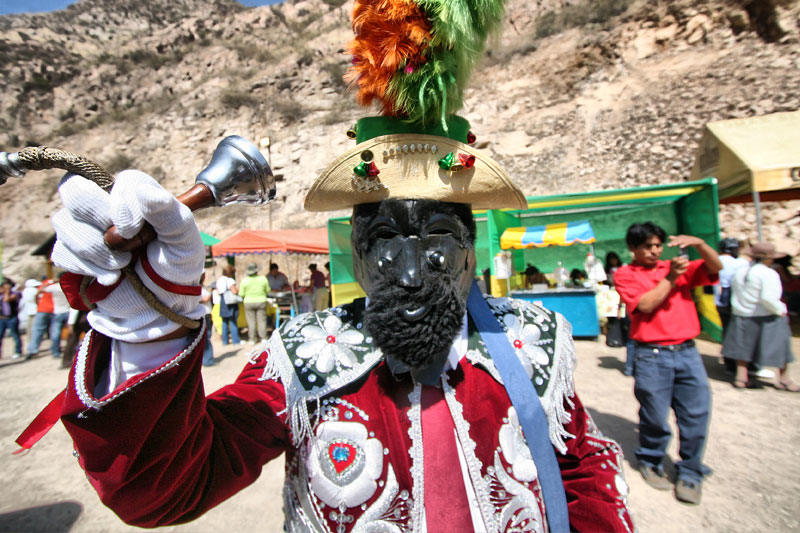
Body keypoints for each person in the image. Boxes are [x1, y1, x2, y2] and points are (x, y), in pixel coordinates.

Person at [42, 3, 633, 529]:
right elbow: (159, 490)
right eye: (382, 241)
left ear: (472, 245)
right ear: (353, 249)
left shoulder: (534, 341)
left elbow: (579, 467)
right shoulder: (302, 357)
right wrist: (149, 323)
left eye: (434, 238)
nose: (405, 272)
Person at [614, 221, 722, 505]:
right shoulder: (626, 274)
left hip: (687, 351)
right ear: (633, 249)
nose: (654, 251)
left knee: (696, 414)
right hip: (652, 354)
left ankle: (690, 470)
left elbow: (715, 267)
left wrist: (700, 244)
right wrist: (672, 278)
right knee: (654, 414)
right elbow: (645, 305)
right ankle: (650, 460)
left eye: (658, 245)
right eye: (647, 246)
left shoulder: (675, 268)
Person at [722, 242, 798, 392]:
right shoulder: (768, 274)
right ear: (769, 259)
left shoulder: (741, 272)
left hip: (742, 314)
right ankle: (784, 380)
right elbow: (768, 298)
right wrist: (780, 309)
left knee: (743, 347)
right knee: (780, 347)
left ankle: (741, 378)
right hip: (765, 315)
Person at [714, 238, 750, 374]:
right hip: (735, 303)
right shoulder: (740, 263)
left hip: (719, 302)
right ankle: (741, 366)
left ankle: (729, 362)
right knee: (739, 334)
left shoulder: (715, 261)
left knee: (727, 332)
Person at [26, 273, 70, 360]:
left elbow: (38, 292)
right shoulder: (62, 285)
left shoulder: (49, 284)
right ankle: (55, 351)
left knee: (39, 330)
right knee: (55, 331)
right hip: (55, 310)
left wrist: (37, 303)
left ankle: (33, 350)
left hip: (46, 310)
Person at [238, 263, 269, 344]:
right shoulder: (263, 279)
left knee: (251, 321)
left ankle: (252, 339)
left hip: (248, 302)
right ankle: (263, 338)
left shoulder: (244, 281)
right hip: (261, 301)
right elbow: (268, 290)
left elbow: (241, 294)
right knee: (262, 320)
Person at [216, 264, 242, 345]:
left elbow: (218, 292)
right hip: (230, 302)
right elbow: (234, 291)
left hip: (223, 301)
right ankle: (235, 340)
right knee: (233, 321)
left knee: (224, 321)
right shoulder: (229, 280)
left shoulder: (219, 280)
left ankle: (225, 341)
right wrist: (237, 290)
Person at [0, 278, 23, 359]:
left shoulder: (15, 294)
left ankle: (18, 351)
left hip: (12, 318)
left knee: (15, 335)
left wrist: (7, 291)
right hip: (1, 318)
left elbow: (7, 299)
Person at [199, 273, 215, 366]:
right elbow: (201, 299)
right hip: (202, 315)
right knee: (205, 337)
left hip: (207, 313)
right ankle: (207, 360)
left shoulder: (203, 287)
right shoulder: (196, 288)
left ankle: (207, 359)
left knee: (207, 337)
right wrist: (208, 297)